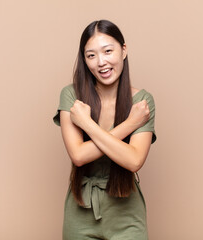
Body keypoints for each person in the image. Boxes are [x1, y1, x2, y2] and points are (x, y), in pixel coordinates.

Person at [53, 19, 156, 240]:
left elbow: (134, 160)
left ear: (124, 50)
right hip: (81, 209)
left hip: (126, 212)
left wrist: (87, 124)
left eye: (108, 51)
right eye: (91, 55)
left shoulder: (141, 102)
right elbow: (79, 155)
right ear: (84, 60)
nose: (101, 62)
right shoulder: (72, 96)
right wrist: (129, 124)